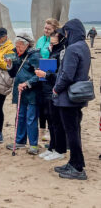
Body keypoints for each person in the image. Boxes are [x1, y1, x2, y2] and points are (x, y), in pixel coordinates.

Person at [52, 19, 90, 180]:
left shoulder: (73, 49)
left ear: (71, 32)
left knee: (72, 132)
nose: (64, 35)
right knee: (74, 130)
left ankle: (78, 167)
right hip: (77, 95)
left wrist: (56, 88)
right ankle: (74, 161)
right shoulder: (83, 47)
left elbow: (67, 75)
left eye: (66, 32)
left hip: (68, 97)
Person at [5, 33, 41, 155]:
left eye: (20, 46)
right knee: (20, 117)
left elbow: (40, 75)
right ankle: (20, 141)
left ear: (27, 45)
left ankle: (33, 145)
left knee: (31, 118)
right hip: (19, 91)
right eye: (17, 45)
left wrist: (27, 83)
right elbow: (13, 73)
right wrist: (9, 64)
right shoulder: (14, 52)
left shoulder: (35, 55)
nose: (18, 48)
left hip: (31, 92)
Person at [35, 32, 66, 160]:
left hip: (56, 90)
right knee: (50, 120)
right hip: (48, 89)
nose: (51, 46)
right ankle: (52, 147)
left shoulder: (62, 53)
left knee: (57, 122)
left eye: (54, 43)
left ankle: (59, 150)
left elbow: (61, 75)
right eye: (50, 43)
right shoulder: (53, 52)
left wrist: (45, 75)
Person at [36, 18, 60, 141]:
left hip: (50, 77)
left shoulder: (56, 41)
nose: (45, 30)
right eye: (45, 28)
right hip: (39, 75)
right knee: (40, 105)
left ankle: (51, 133)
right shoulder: (40, 40)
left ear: (55, 29)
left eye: (48, 29)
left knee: (48, 105)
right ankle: (42, 131)